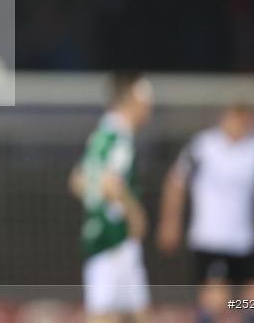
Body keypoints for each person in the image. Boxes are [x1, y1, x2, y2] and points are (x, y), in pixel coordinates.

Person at [156, 104, 254, 322]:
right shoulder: (203, 146)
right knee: (216, 301)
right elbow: (176, 182)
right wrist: (169, 223)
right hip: (210, 239)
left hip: (244, 240)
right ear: (224, 117)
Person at [69, 72, 154, 323]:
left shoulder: (103, 134)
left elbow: (77, 180)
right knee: (111, 314)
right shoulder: (117, 136)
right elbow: (109, 182)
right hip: (113, 238)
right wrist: (134, 213)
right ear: (131, 101)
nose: (150, 109)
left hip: (104, 236)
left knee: (133, 312)